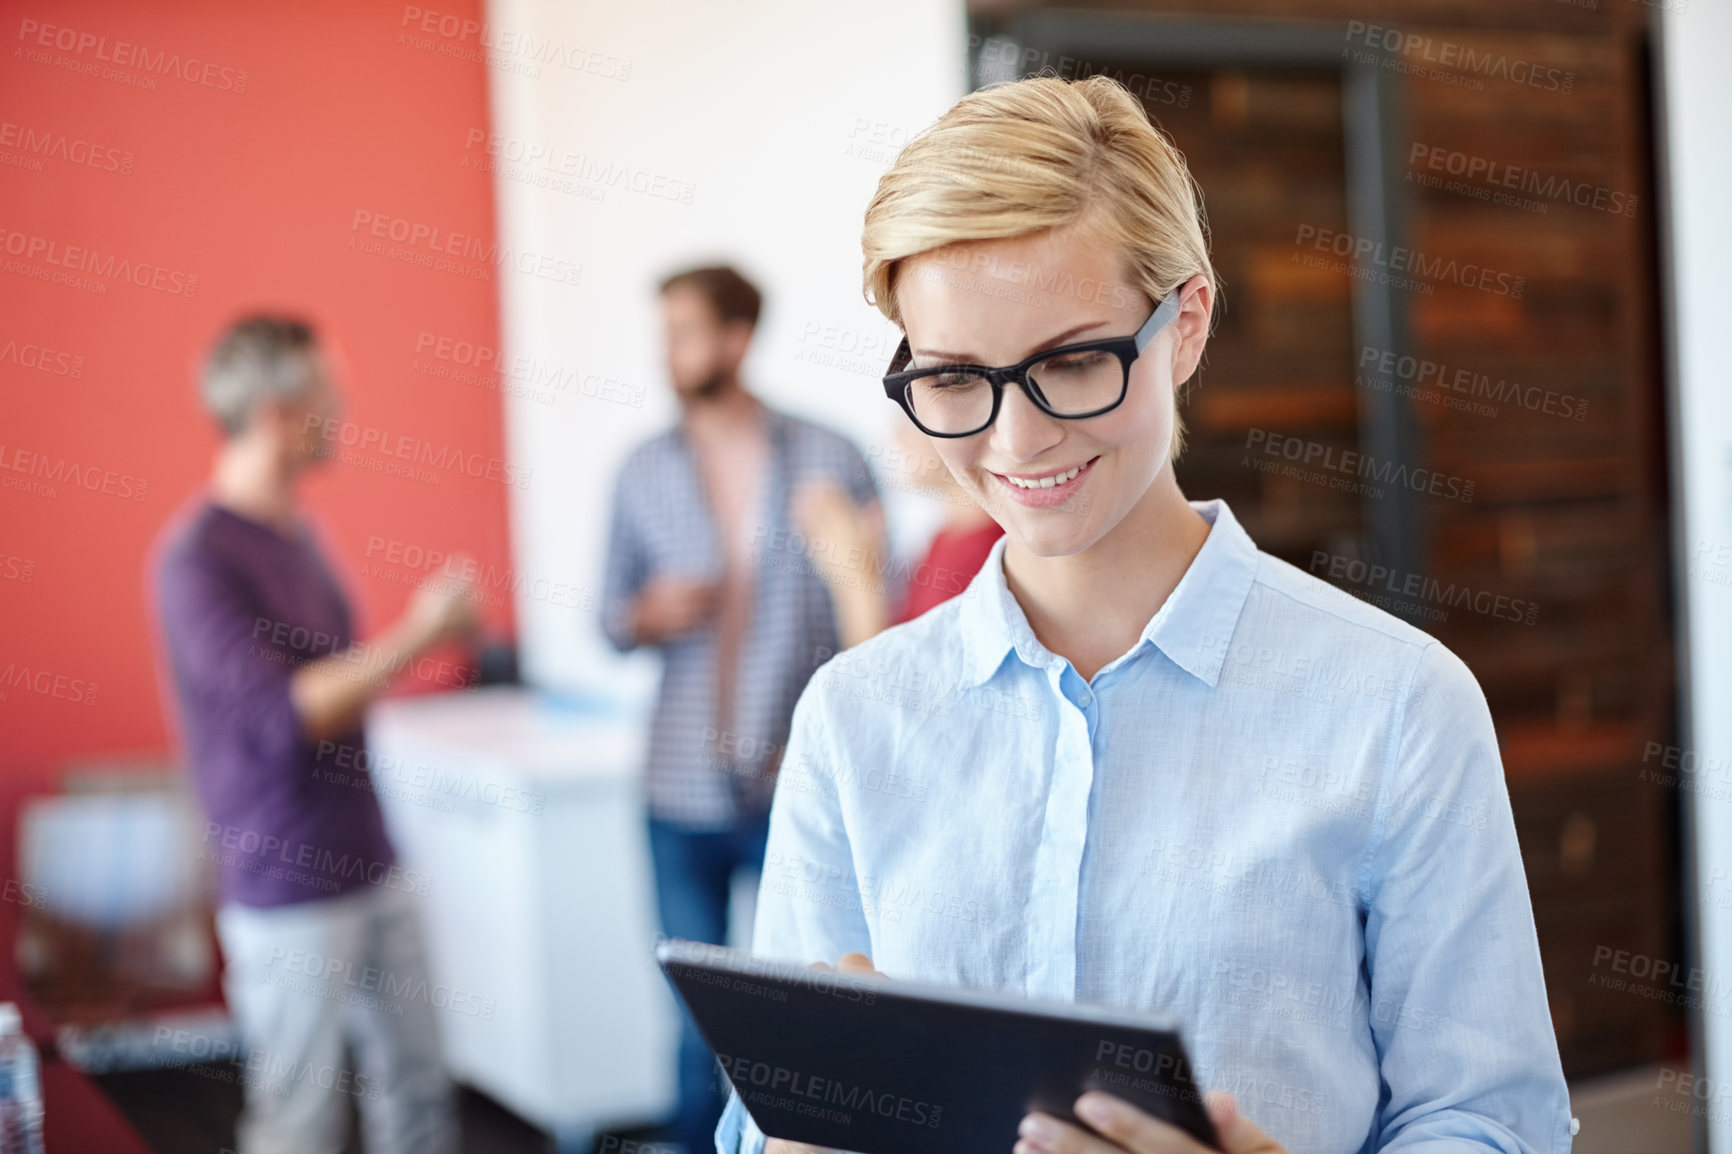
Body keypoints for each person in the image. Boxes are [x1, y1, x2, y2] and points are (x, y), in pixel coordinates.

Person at [716, 77, 1574, 1154]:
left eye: (1072, 361)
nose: (1015, 442)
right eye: (951, 379)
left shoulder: (1399, 706)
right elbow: (764, 1117)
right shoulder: (853, 718)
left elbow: (1493, 1121)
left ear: (1186, 326)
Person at [149, 316, 477, 1154]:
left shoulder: (299, 533)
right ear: (275, 415)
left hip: (370, 858)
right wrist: (421, 632)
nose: (344, 409)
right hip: (283, 883)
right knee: (300, 1124)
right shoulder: (195, 562)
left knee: (419, 1096)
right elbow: (284, 714)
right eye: (328, 395)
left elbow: (337, 683)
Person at [599, 265, 882, 1154]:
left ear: (736, 339)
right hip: (676, 787)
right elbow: (607, 617)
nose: (668, 352)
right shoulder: (642, 469)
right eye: (663, 332)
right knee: (694, 1023)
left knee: (809, 1019)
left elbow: (881, 620)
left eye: (685, 331)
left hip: (795, 781)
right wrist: (648, 615)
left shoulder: (830, 458)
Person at [792, 414, 1003, 647]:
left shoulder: (981, 553)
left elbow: (882, 678)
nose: (898, 436)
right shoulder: (945, 539)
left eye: (910, 418)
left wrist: (857, 583)